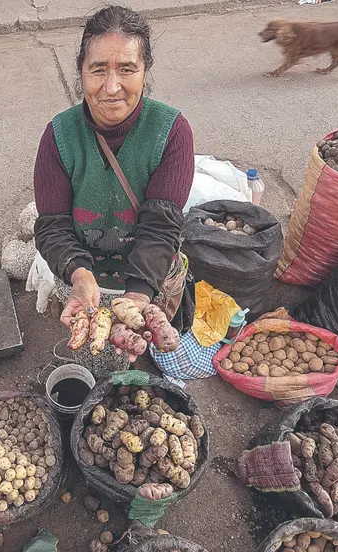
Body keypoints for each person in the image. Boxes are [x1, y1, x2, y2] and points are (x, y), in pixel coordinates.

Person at [33, 5, 194, 371]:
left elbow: (161, 225)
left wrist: (137, 294)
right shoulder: (59, 135)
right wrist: (79, 274)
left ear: (145, 71)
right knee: (96, 358)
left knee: (140, 350)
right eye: (98, 69)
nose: (111, 87)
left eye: (126, 69)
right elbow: (52, 224)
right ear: (81, 71)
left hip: (147, 279)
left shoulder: (172, 132)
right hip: (84, 282)